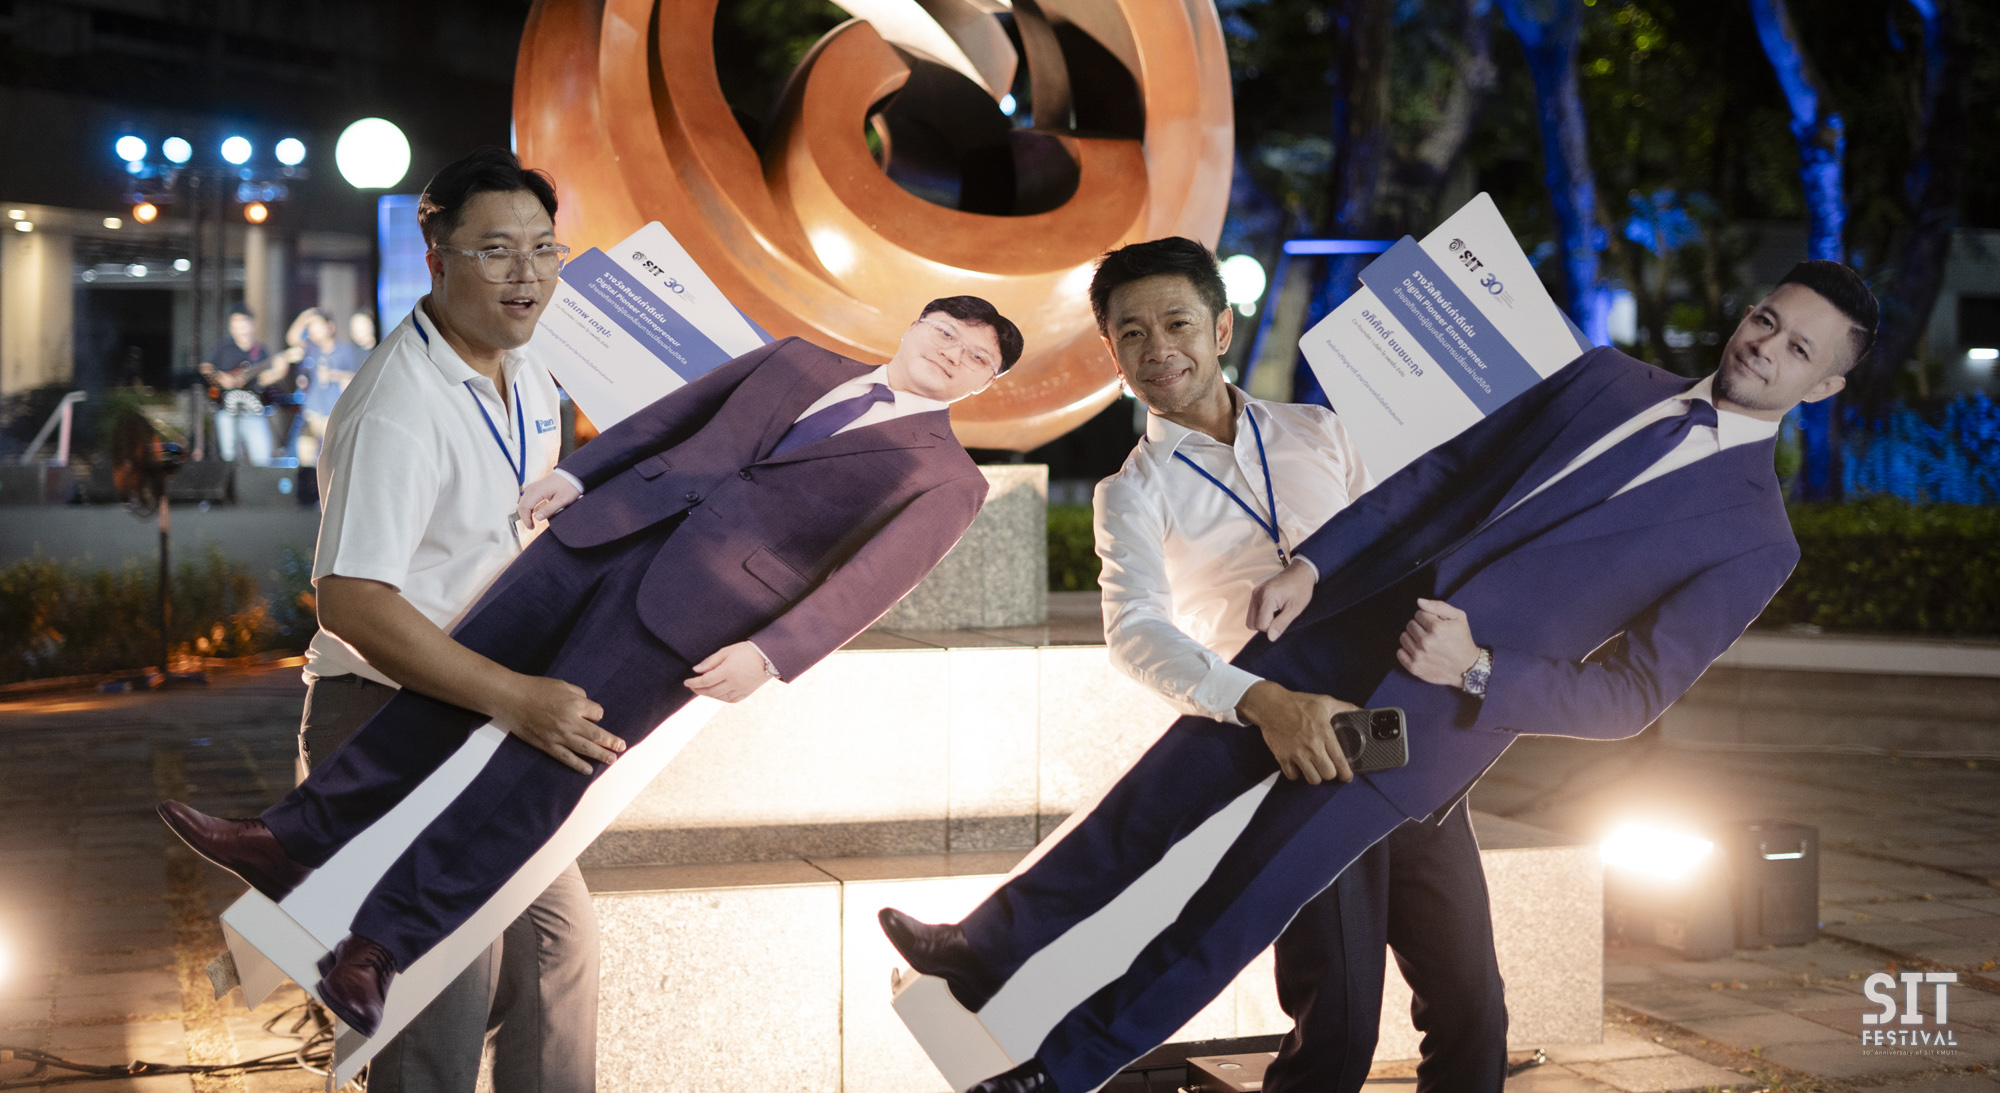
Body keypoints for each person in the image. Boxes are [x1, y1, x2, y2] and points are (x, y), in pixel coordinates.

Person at [883, 260, 1878, 1093]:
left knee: (1234, 906)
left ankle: (1060, 1073)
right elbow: (1440, 475)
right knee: (1143, 809)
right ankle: (978, 949)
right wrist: (1315, 566)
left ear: (1823, 387)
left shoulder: (1756, 538)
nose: (1764, 347)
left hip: (1422, 725)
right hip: (1342, 621)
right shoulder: (1605, 377)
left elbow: (1630, 696)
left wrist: (1477, 668)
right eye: (1766, 319)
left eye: (1799, 349)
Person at [161, 280, 1026, 1041]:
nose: (952, 353)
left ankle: (380, 945)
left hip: (695, 617)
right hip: (600, 531)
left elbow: (870, 580)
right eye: (946, 332)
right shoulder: (797, 356)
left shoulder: (951, 479)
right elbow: (675, 415)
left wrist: (771, 653)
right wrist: (579, 475)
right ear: (915, 324)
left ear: (985, 384)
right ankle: (291, 837)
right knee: (452, 686)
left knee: (536, 775)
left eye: (975, 358)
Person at [946, 237, 1506, 1093]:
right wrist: (1264, 701)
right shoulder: (1131, 492)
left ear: (1219, 329)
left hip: (1406, 738)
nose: (1157, 348)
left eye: (1176, 322)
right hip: (1299, 758)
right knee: (1338, 1025)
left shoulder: (1322, 431)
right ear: (1113, 355)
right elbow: (1136, 631)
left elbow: (1404, 549)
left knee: (1473, 1007)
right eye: (1131, 334)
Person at [202, 149, 593, 1092]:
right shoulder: (397, 404)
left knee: (557, 953)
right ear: (437, 258)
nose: (526, 272)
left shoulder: (531, 369)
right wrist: (517, 697)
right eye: (495, 250)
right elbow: (353, 601)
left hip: (487, 710)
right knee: (437, 995)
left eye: (543, 248)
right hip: (389, 715)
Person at [200, 304, 285, 465]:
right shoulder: (223, 347)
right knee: (230, 458)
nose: (240, 328)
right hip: (227, 412)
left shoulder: (261, 351)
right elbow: (205, 368)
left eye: (243, 323)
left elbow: (263, 380)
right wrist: (221, 378)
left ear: (253, 324)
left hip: (254, 412)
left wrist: (279, 372)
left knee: (263, 457)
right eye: (235, 324)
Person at [283, 308, 366, 466]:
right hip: (312, 412)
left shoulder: (345, 350)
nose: (313, 331)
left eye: (317, 326)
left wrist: (333, 375)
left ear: (330, 327)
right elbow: (292, 339)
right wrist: (304, 317)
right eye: (311, 327)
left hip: (334, 413)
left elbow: (357, 376)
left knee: (333, 459)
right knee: (306, 457)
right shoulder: (312, 349)